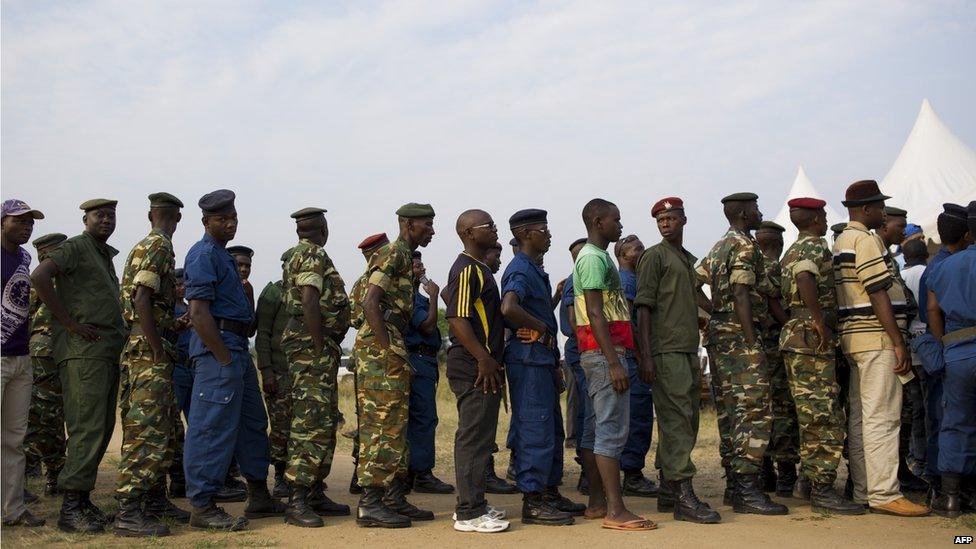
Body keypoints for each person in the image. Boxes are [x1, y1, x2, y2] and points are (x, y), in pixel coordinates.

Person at [182, 189, 285, 531]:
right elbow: (198, 312)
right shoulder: (203, 254)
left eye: (233, 218)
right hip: (219, 349)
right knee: (211, 425)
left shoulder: (224, 257)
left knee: (252, 423)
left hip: (237, 347)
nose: (230, 224)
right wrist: (223, 357)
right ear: (205, 222)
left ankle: (258, 494)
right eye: (222, 219)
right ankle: (202, 505)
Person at [833, 180, 929, 516]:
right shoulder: (864, 239)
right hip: (875, 337)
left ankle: (864, 489)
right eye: (879, 207)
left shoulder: (843, 238)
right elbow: (877, 292)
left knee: (862, 417)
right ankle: (884, 493)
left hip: (856, 339)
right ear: (865, 210)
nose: (883, 213)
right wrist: (897, 340)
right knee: (883, 417)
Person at [32, 198, 127, 532]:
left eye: (111, 215)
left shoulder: (102, 255)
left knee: (99, 427)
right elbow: (40, 275)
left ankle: (82, 501)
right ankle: (71, 508)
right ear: (85, 219)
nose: (106, 220)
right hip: (83, 351)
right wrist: (69, 323)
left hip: (103, 351)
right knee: (87, 426)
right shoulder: (77, 247)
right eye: (99, 215)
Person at [696, 192, 787, 515]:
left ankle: (736, 488)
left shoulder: (719, 246)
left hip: (720, 340)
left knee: (730, 414)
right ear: (746, 213)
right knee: (755, 413)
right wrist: (750, 339)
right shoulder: (745, 246)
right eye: (757, 208)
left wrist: (714, 312)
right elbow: (741, 292)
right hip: (740, 341)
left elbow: (695, 282)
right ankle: (748, 489)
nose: (760, 212)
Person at [635, 197, 721, 524]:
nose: (665, 224)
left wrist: (717, 312)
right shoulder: (654, 257)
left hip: (687, 349)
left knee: (688, 420)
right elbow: (643, 307)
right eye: (660, 220)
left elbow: (696, 294)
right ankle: (683, 495)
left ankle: (668, 490)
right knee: (675, 421)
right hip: (665, 350)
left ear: (683, 220)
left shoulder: (686, 259)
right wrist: (645, 355)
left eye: (670, 218)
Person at [574, 198, 656, 531]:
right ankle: (616, 510)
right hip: (604, 354)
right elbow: (595, 312)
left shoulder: (598, 257)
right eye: (615, 220)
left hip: (601, 353)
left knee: (595, 431)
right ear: (597, 221)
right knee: (611, 430)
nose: (620, 227)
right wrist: (614, 362)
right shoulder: (593, 258)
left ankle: (597, 503)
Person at [779, 197, 864, 515]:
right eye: (824, 215)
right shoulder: (814, 246)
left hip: (794, 336)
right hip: (811, 340)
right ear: (815, 218)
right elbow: (805, 278)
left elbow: (778, 293)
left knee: (808, 416)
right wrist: (817, 321)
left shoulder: (791, 250)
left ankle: (807, 482)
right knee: (824, 416)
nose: (827, 220)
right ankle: (823, 489)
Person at [354, 203, 435, 528]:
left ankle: (393, 497)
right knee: (382, 426)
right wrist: (388, 350)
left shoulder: (404, 257)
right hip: (380, 345)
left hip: (391, 340)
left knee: (396, 424)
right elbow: (369, 301)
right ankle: (370, 504)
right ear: (407, 224)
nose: (431, 230)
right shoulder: (394, 253)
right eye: (426, 224)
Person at [112, 192, 188, 537]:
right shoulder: (159, 246)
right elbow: (141, 298)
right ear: (177, 218)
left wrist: (172, 325)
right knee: (147, 431)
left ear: (149, 215)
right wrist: (157, 347)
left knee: (163, 429)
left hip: (142, 344)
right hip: (147, 351)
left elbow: (144, 301)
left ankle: (154, 500)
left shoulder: (142, 246)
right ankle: (129, 511)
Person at [502, 209, 584, 526]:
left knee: (551, 428)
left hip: (542, 359)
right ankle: (533, 501)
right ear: (525, 235)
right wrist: (538, 326)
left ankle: (549, 492)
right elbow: (509, 307)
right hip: (528, 359)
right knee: (535, 428)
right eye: (543, 229)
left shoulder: (534, 268)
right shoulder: (520, 268)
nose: (548, 235)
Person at [280, 207, 351, 527]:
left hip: (312, 349)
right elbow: (310, 298)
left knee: (324, 419)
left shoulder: (297, 255)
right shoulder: (311, 256)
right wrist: (319, 344)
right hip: (312, 351)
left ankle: (314, 492)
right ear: (323, 229)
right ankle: (297, 499)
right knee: (310, 422)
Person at [444, 209, 510, 533]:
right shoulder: (466, 269)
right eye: (490, 226)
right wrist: (484, 358)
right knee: (472, 439)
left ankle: (476, 504)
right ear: (469, 233)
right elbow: (457, 318)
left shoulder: (480, 269)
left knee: (482, 440)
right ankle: (469, 512)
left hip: (482, 366)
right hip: (474, 368)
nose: (495, 230)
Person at [913, 203, 972, 505]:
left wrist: (943, 345)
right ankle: (953, 486)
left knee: (950, 421)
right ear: (966, 234)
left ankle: (947, 493)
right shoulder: (950, 264)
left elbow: (930, 310)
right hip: (955, 349)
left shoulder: (939, 267)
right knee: (946, 419)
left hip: (953, 351)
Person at [875, 206, 927, 493]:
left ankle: (900, 469)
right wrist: (896, 342)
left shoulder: (890, 260)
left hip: (898, 343)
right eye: (900, 226)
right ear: (885, 226)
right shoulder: (877, 256)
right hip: (886, 344)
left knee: (904, 411)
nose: (903, 233)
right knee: (888, 412)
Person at [1, 199, 46, 528]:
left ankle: (12, 510)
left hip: (21, 358)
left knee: (15, 439)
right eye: (19, 221)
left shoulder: (25, 258)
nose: (27, 226)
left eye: (30, 222)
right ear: (2, 222)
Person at [755, 220, 799, 496]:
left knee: (760, 412)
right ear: (779, 245)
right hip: (781, 349)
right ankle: (785, 476)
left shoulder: (752, 271)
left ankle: (765, 473)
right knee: (783, 411)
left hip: (757, 349)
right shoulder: (783, 271)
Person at [405, 251, 453, 494]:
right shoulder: (410, 298)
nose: (421, 269)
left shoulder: (417, 295)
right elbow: (428, 325)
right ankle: (421, 474)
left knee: (420, 418)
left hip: (427, 360)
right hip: (418, 358)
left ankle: (414, 471)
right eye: (416, 266)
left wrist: (431, 291)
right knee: (423, 418)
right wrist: (432, 296)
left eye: (422, 264)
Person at [614, 234, 658, 498]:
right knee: (638, 417)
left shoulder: (629, 279)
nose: (642, 252)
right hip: (633, 358)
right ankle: (633, 475)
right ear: (623, 254)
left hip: (630, 357)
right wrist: (644, 357)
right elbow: (629, 323)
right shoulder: (628, 281)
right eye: (637, 248)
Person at [24, 232, 67, 498]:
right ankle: (46, 472)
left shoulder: (70, 280)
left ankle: (56, 472)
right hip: (44, 356)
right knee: (44, 416)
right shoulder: (37, 282)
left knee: (56, 416)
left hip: (66, 352)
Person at [346, 232, 390, 496]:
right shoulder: (379, 280)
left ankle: (358, 474)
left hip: (363, 354)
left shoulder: (359, 283)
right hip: (377, 353)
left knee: (367, 416)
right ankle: (370, 486)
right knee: (378, 420)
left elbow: (352, 317)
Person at [255, 248, 295, 498]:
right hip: (279, 373)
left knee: (301, 429)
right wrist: (267, 371)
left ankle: (298, 475)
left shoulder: (308, 292)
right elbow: (263, 334)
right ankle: (280, 476)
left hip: (303, 374)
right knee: (281, 428)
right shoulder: (273, 293)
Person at [560, 238, 589, 495]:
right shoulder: (575, 280)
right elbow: (573, 319)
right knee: (584, 408)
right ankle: (586, 470)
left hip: (584, 347)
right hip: (580, 349)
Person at [168, 268, 192, 499]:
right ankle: (177, 478)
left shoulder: (190, 309)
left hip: (192, 368)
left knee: (196, 423)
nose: (180, 287)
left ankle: (190, 475)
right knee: (175, 428)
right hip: (175, 369)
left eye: (184, 283)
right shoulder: (169, 310)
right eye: (176, 284)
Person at [226, 245, 255, 310]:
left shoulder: (248, 288)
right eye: (239, 265)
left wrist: (249, 295)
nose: (243, 269)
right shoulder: (218, 286)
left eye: (247, 266)